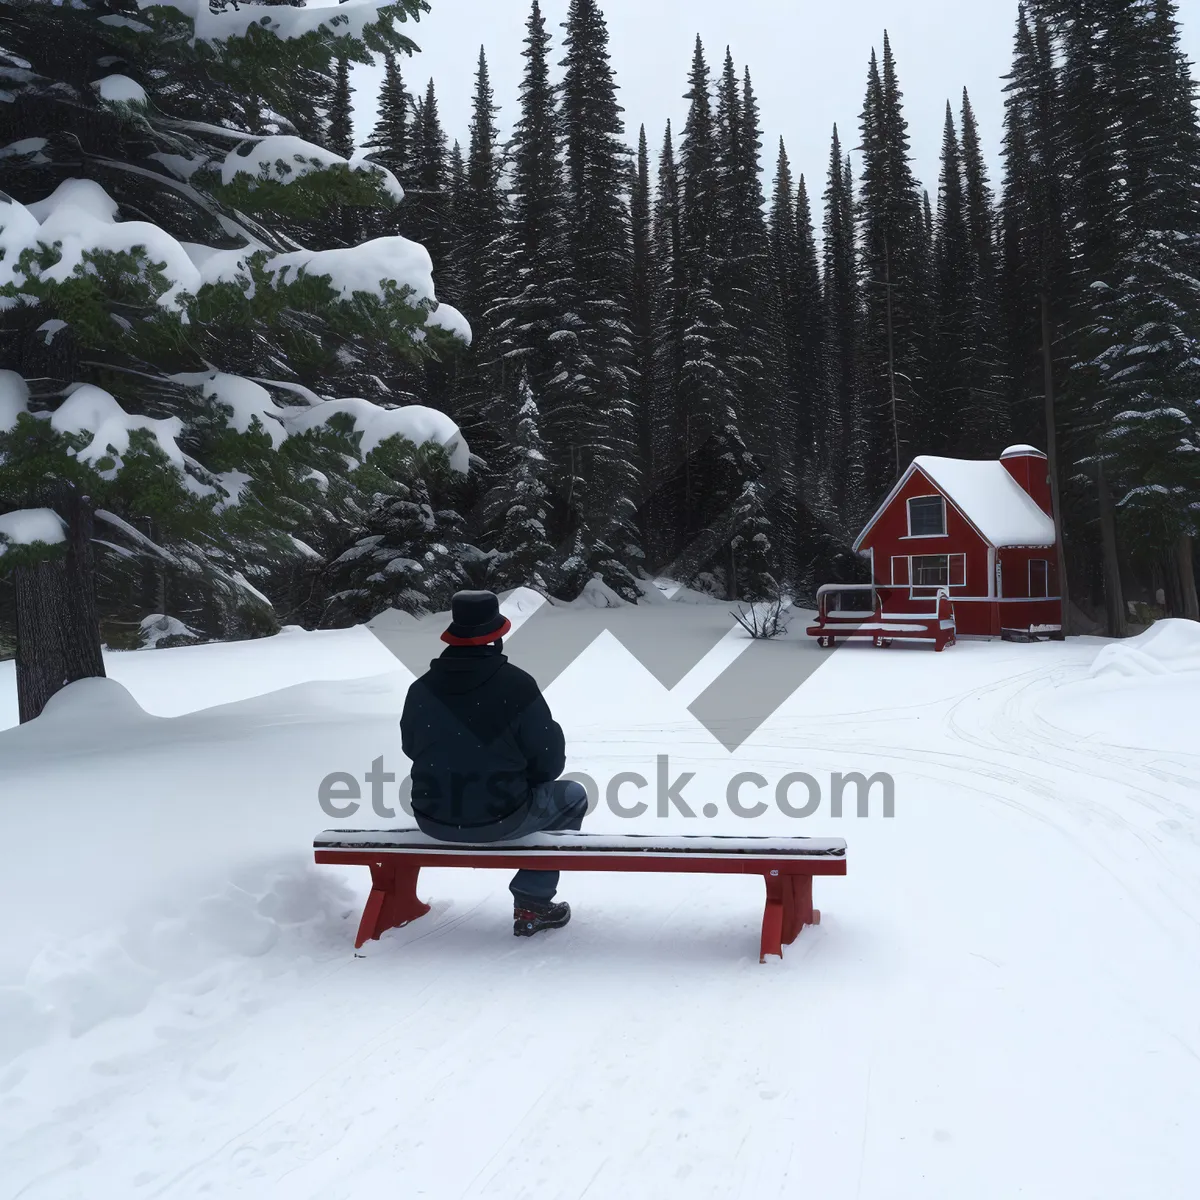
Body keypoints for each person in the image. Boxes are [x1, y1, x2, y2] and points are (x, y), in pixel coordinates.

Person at [400, 590, 588, 937]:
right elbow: (549, 763)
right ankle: (533, 901)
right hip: (501, 816)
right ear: (497, 636)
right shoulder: (516, 686)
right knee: (573, 796)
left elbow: (412, 749)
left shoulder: (421, 689)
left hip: (431, 817)